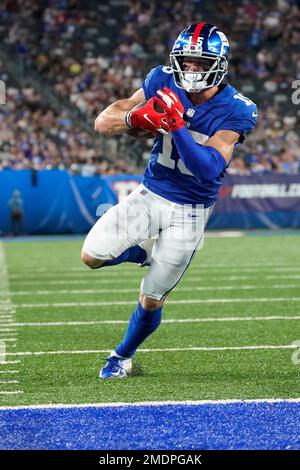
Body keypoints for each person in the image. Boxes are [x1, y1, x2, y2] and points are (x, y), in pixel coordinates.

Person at [81, 22, 257, 379]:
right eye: (186, 61)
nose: (190, 69)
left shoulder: (237, 109)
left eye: (199, 61)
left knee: (152, 298)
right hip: (151, 193)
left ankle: (121, 357)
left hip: (191, 210)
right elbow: (104, 122)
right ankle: (144, 252)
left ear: (219, 64)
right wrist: (134, 117)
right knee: (92, 255)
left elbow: (208, 169)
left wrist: (175, 126)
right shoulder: (160, 79)